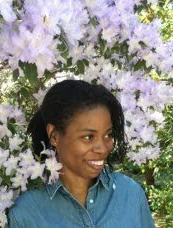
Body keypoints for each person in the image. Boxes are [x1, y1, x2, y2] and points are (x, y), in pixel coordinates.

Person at [8, 79, 155, 228]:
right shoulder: (26, 214)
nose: (103, 149)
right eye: (88, 137)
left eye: (108, 135)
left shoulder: (130, 194)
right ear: (54, 136)